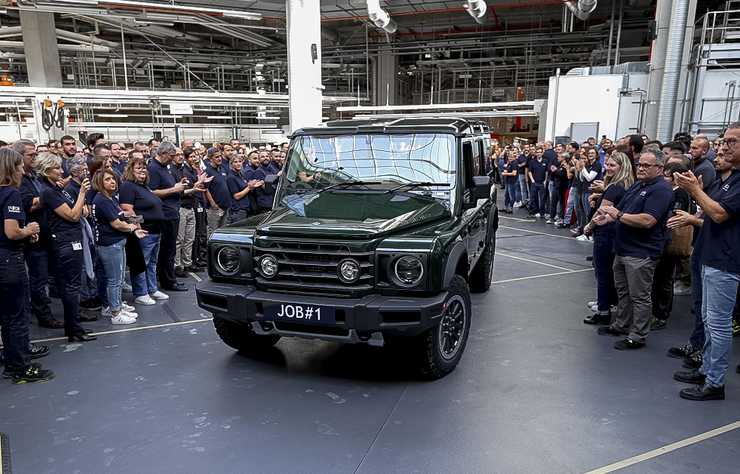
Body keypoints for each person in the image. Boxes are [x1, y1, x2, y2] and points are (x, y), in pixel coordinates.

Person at [672, 127, 740, 401]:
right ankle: (707, 368)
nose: (724, 147)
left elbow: (719, 213)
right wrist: (699, 189)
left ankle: (715, 382)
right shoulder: (731, 179)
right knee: (710, 321)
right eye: (723, 142)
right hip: (713, 257)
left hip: (725, 262)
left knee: (719, 324)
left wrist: (693, 191)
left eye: (732, 142)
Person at [593, 149, 674, 350]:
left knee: (639, 296)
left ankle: (637, 335)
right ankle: (621, 324)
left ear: (660, 168)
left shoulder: (661, 190)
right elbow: (623, 210)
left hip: (641, 252)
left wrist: (617, 215)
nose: (641, 168)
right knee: (623, 292)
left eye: (647, 165)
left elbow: (648, 220)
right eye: (640, 165)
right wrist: (607, 217)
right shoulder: (639, 185)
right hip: (623, 248)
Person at [0, 148, 55, 384]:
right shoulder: (10, 193)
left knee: (7, 316)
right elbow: (11, 232)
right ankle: (22, 367)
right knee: (17, 315)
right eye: (21, 166)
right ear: (12, 168)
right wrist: (28, 230)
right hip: (9, 260)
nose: (24, 170)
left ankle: (13, 363)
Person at [36, 152, 97, 343]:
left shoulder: (56, 189)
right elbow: (72, 215)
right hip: (65, 242)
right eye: (56, 168)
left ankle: (74, 326)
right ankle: (73, 329)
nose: (61, 171)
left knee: (72, 285)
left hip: (70, 239)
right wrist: (81, 194)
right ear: (46, 171)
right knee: (71, 286)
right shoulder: (49, 192)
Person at [582, 152, 634, 324]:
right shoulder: (628, 186)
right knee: (613, 275)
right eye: (607, 164)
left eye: (612, 165)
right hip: (619, 234)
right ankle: (611, 306)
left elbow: (602, 211)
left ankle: (603, 311)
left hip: (605, 233)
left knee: (603, 273)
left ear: (622, 167)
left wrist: (589, 226)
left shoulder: (614, 187)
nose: (608, 168)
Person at [15, 140, 62, 329]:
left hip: (46, 232)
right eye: (30, 155)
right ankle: (43, 315)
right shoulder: (20, 180)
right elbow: (29, 204)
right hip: (34, 237)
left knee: (49, 276)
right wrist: (49, 196)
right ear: (19, 157)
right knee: (38, 278)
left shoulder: (34, 176)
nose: (35, 157)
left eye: (35, 154)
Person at [91, 169, 145, 324]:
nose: (112, 182)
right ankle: (116, 313)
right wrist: (132, 228)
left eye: (113, 179)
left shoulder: (110, 198)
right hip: (110, 244)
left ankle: (113, 306)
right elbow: (116, 223)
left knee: (115, 278)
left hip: (115, 242)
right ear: (100, 182)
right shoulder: (102, 200)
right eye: (107, 179)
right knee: (114, 280)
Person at [119, 156, 170, 306]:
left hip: (156, 230)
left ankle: (152, 289)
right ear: (130, 171)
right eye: (138, 168)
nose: (142, 170)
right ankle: (141, 292)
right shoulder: (128, 186)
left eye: (144, 168)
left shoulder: (144, 187)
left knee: (152, 262)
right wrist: (138, 228)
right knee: (141, 263)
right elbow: (127, 209)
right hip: (144, 232)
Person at [649, 161, 692, 330]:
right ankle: (656, 311)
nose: (664, 178)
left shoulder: (680, 193)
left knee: (664, 278)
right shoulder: (669, 191)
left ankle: (661, 315)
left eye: (667, 175)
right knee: (659, 278)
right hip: (663, 239)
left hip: (670, 240)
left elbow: (675, 215)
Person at [147, 142, 187, 292]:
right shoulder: (154, 168)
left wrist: (177, 185)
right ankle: (168, 281)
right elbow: (152, 192)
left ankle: (169, 279)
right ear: (163, 154)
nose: (173, 159)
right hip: (165, 214)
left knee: (169, 250)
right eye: (171, 156)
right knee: (167, 250)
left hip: (171, 212)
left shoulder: (163, 167)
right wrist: (174, 189)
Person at [170, 148, 209, 276]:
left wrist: (198, 184)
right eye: (178, 155)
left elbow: (192, 187)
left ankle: (187, 263)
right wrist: (195, 186)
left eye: (181, 154)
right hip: (180, 207)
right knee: (179, 239)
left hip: (190, 206)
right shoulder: (173, 171)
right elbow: (179, 191)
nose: (180, 157)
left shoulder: (184, 170)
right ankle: (178, 266)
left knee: (189, 239)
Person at [204, 147, 232, 234]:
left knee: (223, 232)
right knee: (213, 232)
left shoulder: (222, 169)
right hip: (215, 208)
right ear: (210, 159)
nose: (219, 158)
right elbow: (205, 189)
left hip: (225, 206)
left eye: (220, 156)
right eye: (216, 157)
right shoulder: (207, 171)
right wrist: (213, 204)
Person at [226, 155, 260, 223]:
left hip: (246, 208)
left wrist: (252, 186)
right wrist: (249, 187)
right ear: (231, 164)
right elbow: (236, 196)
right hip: (238, 210)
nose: (238, 163)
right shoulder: (231, 177)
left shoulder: (241, 175)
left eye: (240, 161)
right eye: (235, 162)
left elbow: (246, 189)